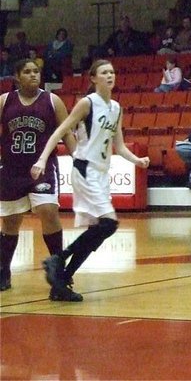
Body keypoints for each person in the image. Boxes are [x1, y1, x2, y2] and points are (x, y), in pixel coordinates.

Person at [32, 59, 150, 301]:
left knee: (98, 230)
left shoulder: (116, 108)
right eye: (104, 72)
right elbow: (60, 131)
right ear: (94, 78)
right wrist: (42, 159)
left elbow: (118, 145)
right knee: (109, 224)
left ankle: (61, 283)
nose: (110, 76)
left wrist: (136, 160)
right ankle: (59, 259)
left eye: (112, 72)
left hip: (101, 173)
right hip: (85, 169)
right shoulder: (87, 104)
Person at [0, 58, 76, 294]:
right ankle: (4, 271)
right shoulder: (4, 101)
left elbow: (67, 134)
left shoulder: (52, 101)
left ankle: (58, 272)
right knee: (11, 221)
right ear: (16, 77)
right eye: (28, 71)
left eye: (36, 71)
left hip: (42, 168)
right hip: (12, 169)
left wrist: (79, 161)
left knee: (48, 211)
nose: (34, 75)